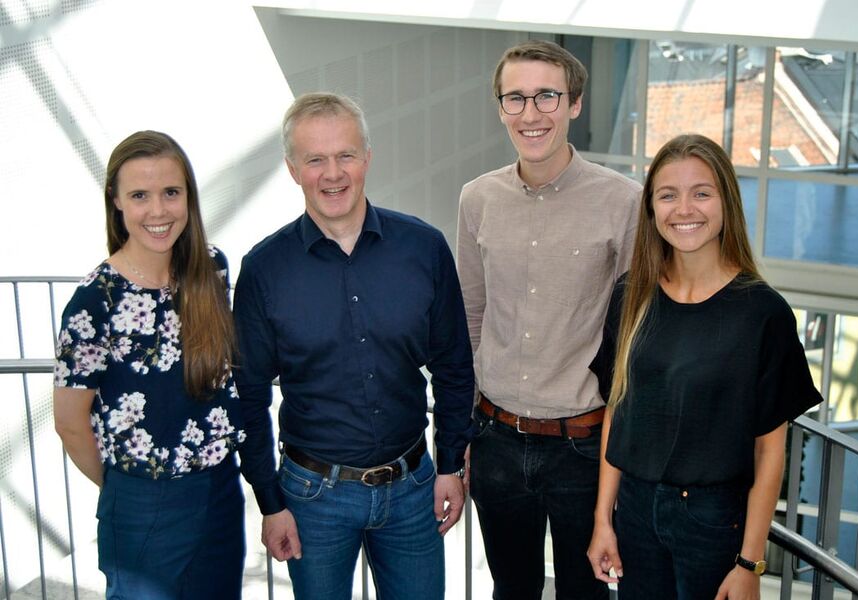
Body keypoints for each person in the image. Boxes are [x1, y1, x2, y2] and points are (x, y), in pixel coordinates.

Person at [233, 92, 474, 600]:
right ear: (293, 169)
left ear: (367, 157)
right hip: (311, 498)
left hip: (413, 491)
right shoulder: (263, 270)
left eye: (345, 155)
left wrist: (451, 463)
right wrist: (270, 501)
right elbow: (249, 396)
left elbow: (454, 365)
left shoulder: (424, 248)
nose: (332, 173)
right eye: (315, 159)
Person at [586, 133, 823, 599]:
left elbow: (770, 452)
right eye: (668, 195)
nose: (684, 209)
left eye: (701, 193)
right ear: (652, 209)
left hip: (712, 521)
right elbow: (617, 414)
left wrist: (750, 562)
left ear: (726, 203)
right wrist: (602, 522)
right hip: (634, 510)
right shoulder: (631, 295)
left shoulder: (762, 313)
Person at [456, 40, 641, 600]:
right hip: (495, 439)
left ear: (574, 104)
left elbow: (635, 334)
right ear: (500, 107)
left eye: (546, 97)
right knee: (511, 589)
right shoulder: (477, 199)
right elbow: (470, 316)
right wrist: (460, 435)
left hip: (583, 447)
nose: (530, 113)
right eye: (516, 98)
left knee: (584, 595)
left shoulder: (624, 201)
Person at [53, 130, 246, 599]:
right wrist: (128, 487)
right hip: (142, 501)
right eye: (140, 195)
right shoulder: (94, 302)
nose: (158, 211)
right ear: (116, 202)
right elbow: (70, 422)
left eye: (171, 193)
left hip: (220, 491)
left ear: (188, 198)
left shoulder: (211, 270)